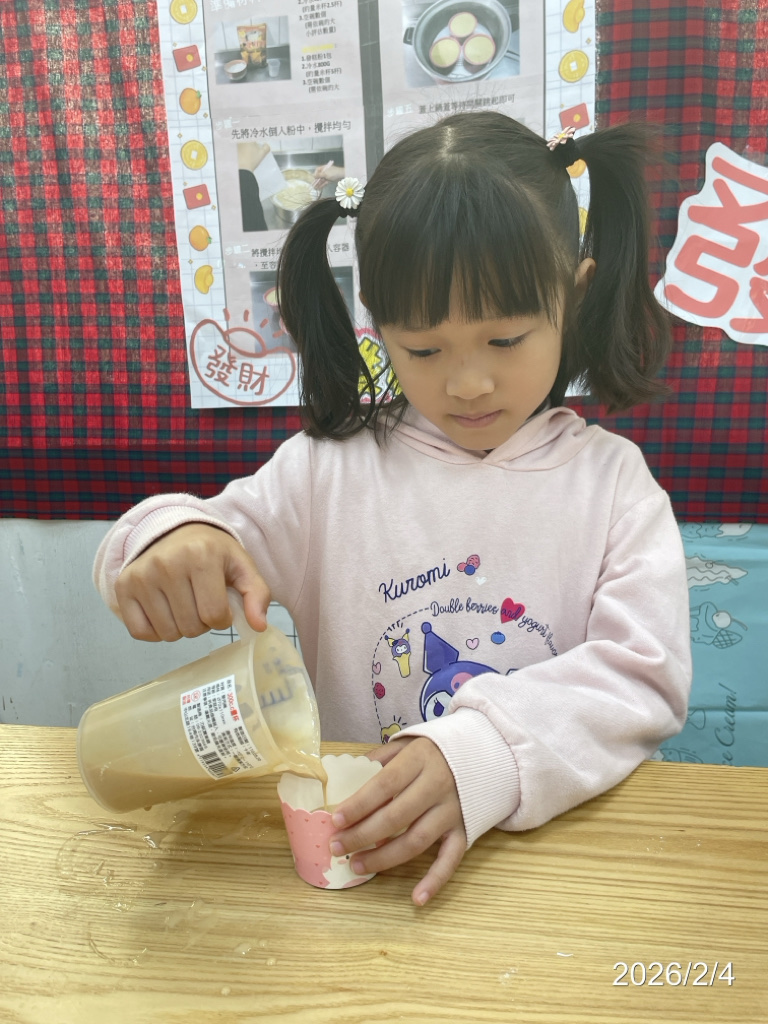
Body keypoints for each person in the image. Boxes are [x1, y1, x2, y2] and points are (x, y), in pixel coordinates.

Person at [94, 112, 692, 907]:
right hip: (367, 864)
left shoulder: (614, 485)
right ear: (377, 321)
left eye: (506, 341)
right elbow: (216, 536)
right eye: (425, 350)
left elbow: (643, 678)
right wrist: (169, 539)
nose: (468, 383)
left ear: (573, 297)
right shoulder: (327, 472)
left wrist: (479, 750)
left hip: (556, 873)